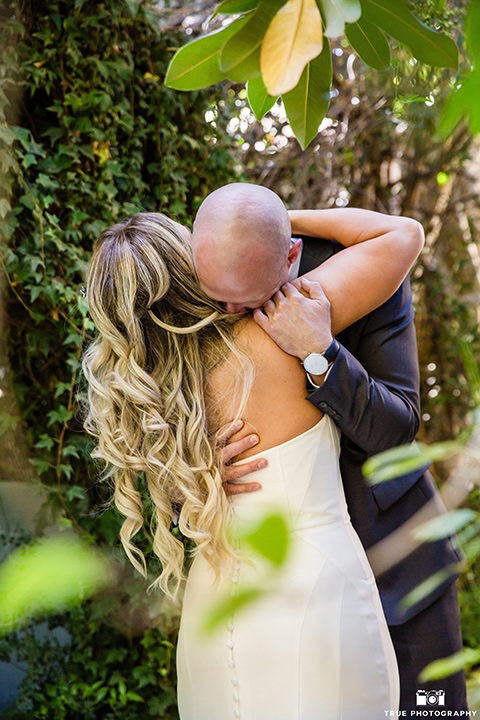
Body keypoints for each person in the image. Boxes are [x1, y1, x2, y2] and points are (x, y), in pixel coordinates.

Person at [83, 208, 423, 719]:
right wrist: (270, 216)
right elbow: (401, 233)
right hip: (312, 588)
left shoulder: (159, 398)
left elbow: (171, 490)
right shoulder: (283, 326)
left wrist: (190, 476)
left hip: (213, 602)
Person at [191, 183, 468, 714]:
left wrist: (321, 354)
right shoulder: (195, 282)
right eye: (216, 296)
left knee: (433, 710)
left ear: (291, 253)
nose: (226, 312)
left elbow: (399, 427)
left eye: (244, 300)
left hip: (396, 559)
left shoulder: (357, 267)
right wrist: (198, 468)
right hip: (287, 584)